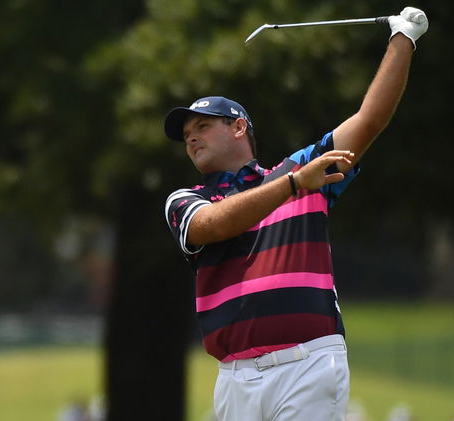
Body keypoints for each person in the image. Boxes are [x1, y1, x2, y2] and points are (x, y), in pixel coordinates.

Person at [163, 7, 428, 421]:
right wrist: (292, 185)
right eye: (186, 135)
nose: (192, 137)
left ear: (238, 128)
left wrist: (403, 39)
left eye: (203, 125)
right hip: (233, 377)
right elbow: (212, 225)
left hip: (308, 363)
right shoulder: (186, 198)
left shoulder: (302, 169)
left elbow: (369, 120)